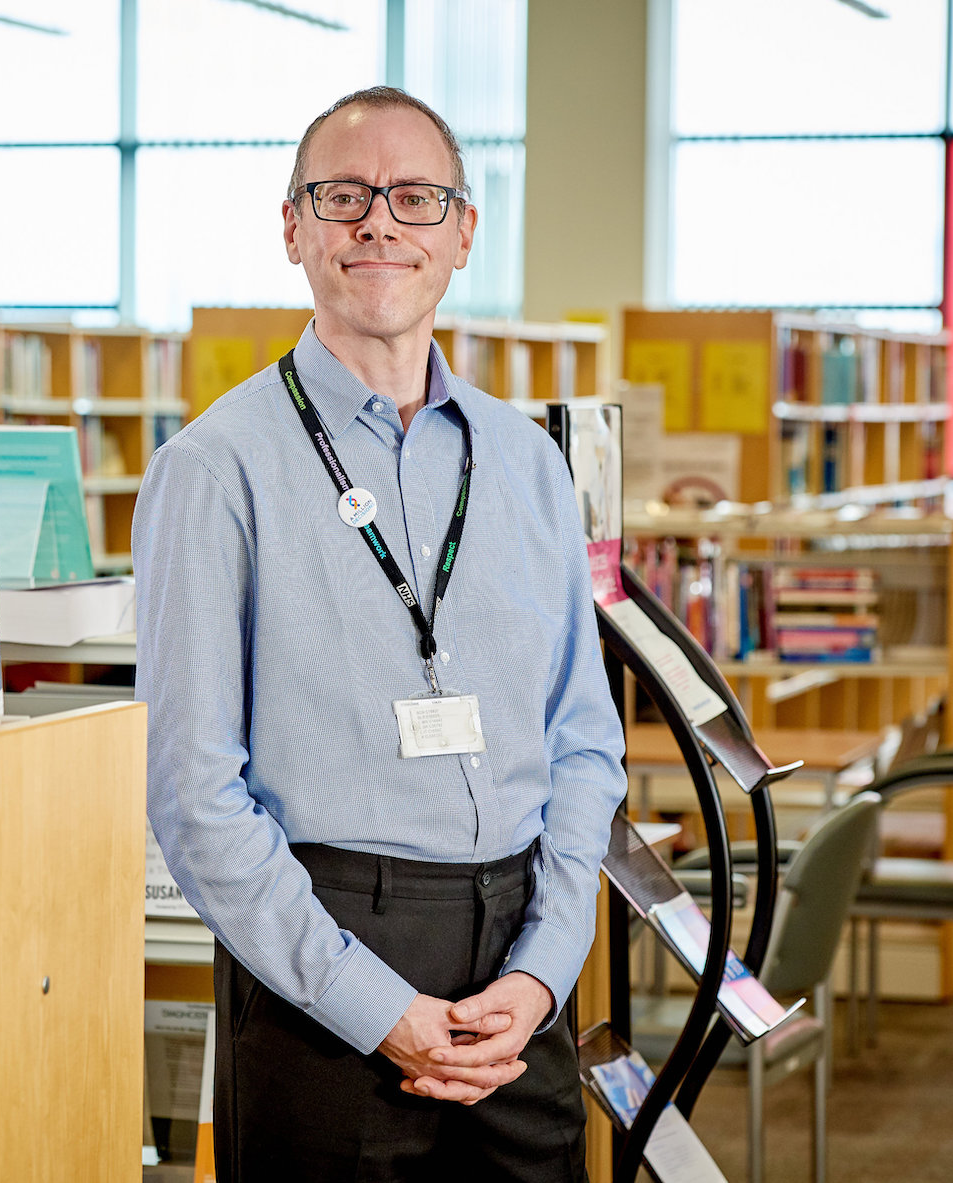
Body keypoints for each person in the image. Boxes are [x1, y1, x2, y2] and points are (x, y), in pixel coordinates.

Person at [133, 86, 627, 1181]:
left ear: (462, 231)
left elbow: (585, 742)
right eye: (343, 195)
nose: (378, 223)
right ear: (292, 226)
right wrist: (373, 1004)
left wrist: (544, 968)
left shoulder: (527, 464)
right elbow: (192, 794)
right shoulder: (213, 471)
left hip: (518, 973)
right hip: (320, 967)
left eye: (415, 197)